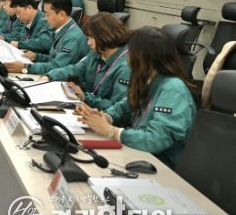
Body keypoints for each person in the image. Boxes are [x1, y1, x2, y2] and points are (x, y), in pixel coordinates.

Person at [75, 26, 196, 168]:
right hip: (139, 153)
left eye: (130, 52)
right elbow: (124, 107)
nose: (127, 57)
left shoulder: (173, 90)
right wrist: (104, 117)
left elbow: (157, 140)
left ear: (143, 56)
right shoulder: (147, 79)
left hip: (161, 165)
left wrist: (112, 131)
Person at [41, 12, 131, 110]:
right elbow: (75, 69)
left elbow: (117, 107)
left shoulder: (126, 66)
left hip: (103, 115)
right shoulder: (96, 52)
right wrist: (49, 76)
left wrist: (85, 97)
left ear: (104, 36)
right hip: (89, 108)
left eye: (91, 38)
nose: (88, 43)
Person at [7, 0, 89, 74]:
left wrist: (26, 67)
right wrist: (36, 57)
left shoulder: (72, 37)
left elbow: (57, 66)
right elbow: (54, 59)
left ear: (61, 15)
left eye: (48, 15)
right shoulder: (62, 31)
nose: (45, 18)